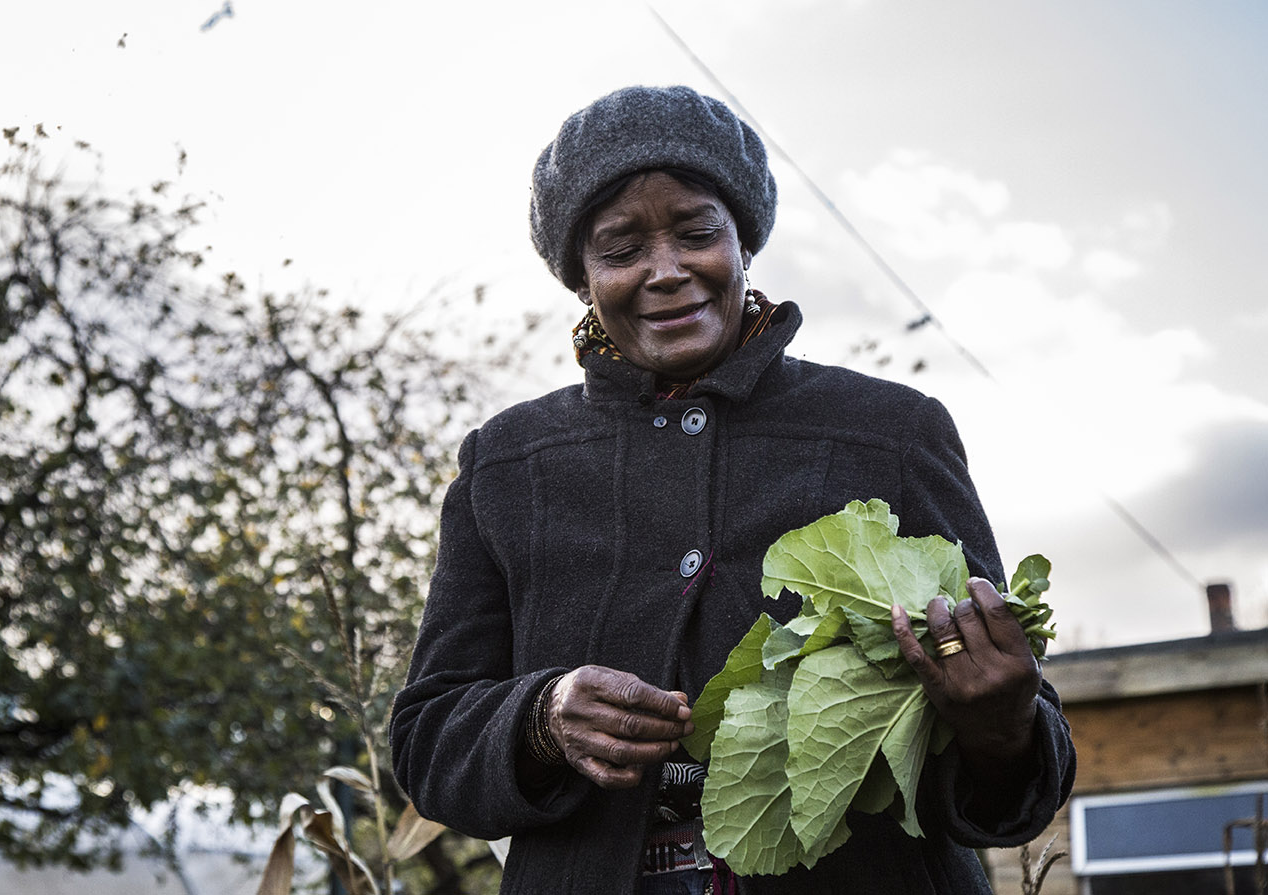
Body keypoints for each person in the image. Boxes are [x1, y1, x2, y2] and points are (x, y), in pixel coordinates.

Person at [390, 84, 1075, 895]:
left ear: (743, 239)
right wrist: (540, 718)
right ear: (581, 277)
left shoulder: (891, 432)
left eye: (696, 231)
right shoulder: (508, 464)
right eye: (620, 248)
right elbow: (427, 741)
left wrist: (999, 725)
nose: (667, 270)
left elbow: (1018, 764)